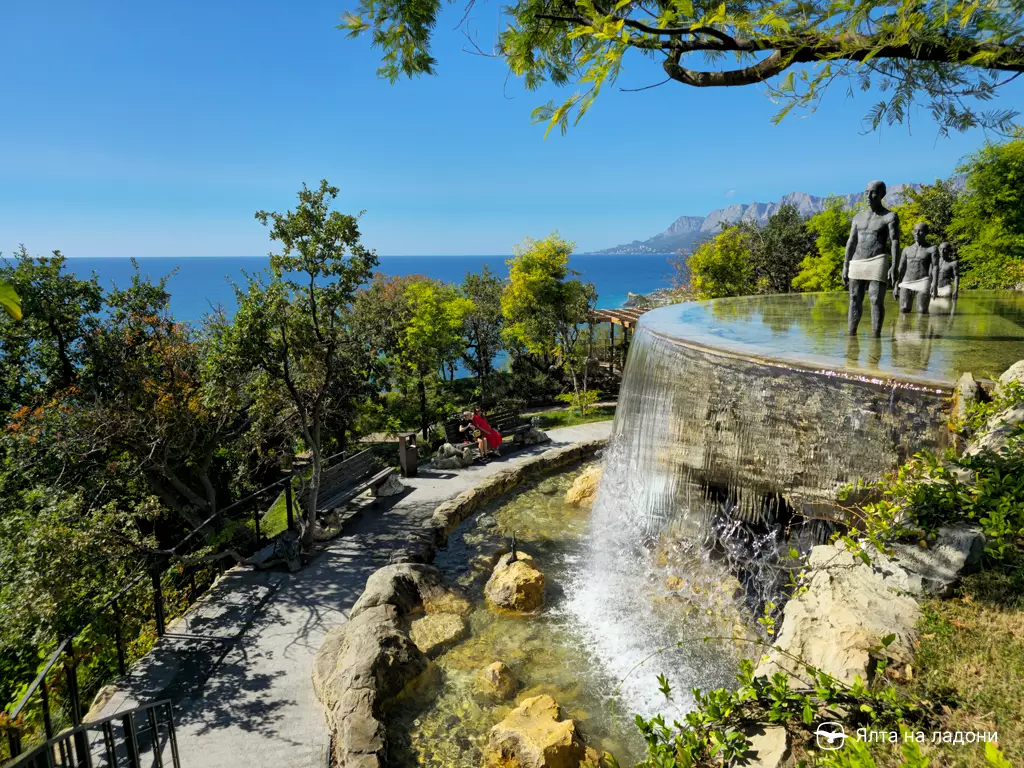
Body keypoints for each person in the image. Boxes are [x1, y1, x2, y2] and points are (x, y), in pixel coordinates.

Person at [842, 180, 900, 336]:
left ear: (881, 194)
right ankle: (851, 337)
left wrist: (894, 266)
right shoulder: (858, 218)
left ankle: (876, 338)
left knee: (875, 300)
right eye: (866, 192)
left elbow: (895, 242)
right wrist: (845, 265)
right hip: (857, 260)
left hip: (878, 260)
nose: (868, 196)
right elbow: (851, 242)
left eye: (872, 192)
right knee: (854, 298)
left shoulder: (890, 216)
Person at [894, 222, 937, 314]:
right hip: (907, 281)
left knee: (922, 311)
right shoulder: (906, 249)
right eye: (915, 231)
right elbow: (900, 268)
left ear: (926, 233)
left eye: (920, 231)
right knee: (904, 309)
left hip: (923, 281)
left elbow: (935, 267)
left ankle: (922, 327)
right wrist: (896, 285)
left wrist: (934, 284)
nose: (916, 233)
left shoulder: (932, 249)